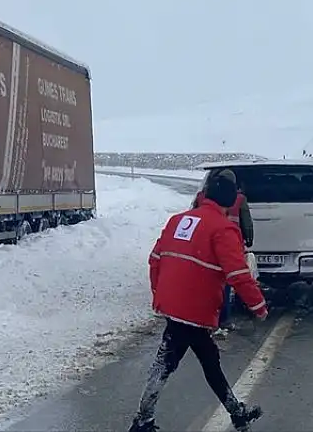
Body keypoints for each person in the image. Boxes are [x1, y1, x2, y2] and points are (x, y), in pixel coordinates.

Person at [129, 171, 268, 432]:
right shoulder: (223, 228)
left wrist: (160, 293)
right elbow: (238, 273)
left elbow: (155, 259)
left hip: (175, 305)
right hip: (194, 309)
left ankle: (236, 413)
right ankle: (141, 421)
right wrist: (258, 305)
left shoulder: (178, 220)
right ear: (230, 198)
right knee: (172, 363)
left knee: (199, 359)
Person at [192, 170, 255, 336]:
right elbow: (246, 222)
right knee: (226, 283)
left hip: (205, 246)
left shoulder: (202, 196)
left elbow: (193, 217)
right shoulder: (239, 199)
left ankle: (202, 317)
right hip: (230, 244)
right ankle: (223, 319)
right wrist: (249, 239)